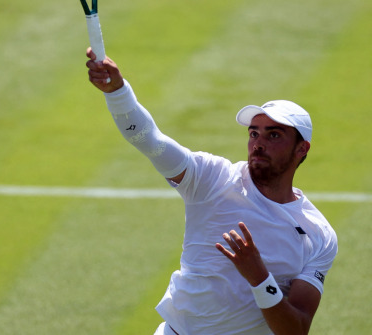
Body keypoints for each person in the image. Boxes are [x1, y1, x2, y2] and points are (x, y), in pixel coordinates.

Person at [85, 49, 338, 335]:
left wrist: (258, 277)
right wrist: (118, 92)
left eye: (274, 135)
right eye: (254, 133)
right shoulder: (213, 178)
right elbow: (149, 141)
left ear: (301, 149)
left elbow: (295, 330)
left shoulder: (319, 235)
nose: (258, 143)